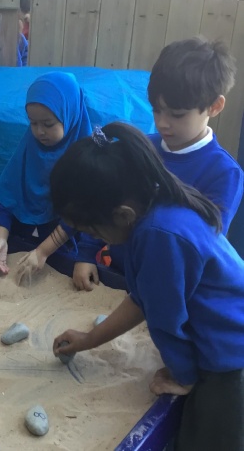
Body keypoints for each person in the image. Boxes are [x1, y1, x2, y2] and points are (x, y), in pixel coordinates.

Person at [51, 122, 244, 451]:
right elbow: (143, 298)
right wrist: (89, 339)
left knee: (208, 437)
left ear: (122, 215)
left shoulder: (159, 237)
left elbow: (165, 318)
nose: (93, 237)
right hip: (225, 340)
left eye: (93, 231)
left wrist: (183, 375)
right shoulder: (157, 202)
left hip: (231, 360)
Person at [73, 37, 243, 291]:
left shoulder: (224, 174)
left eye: (177, 114)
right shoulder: (141, 146)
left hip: (168, 285)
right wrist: (86, 253)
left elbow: (202, 248)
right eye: (156, 110)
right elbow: (105, 202)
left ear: (214, 106)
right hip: (118, 272)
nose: (162, 122)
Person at [0, 72, 92, 284]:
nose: (40, 132)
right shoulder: (28, 148)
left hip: (61, 248)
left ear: (69, 115)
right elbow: (7, 198)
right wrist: (1, 239)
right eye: (33, 123)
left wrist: (43, 252)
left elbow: (78, 215)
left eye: (48, 124)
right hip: (21, 240)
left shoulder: (83, 158)